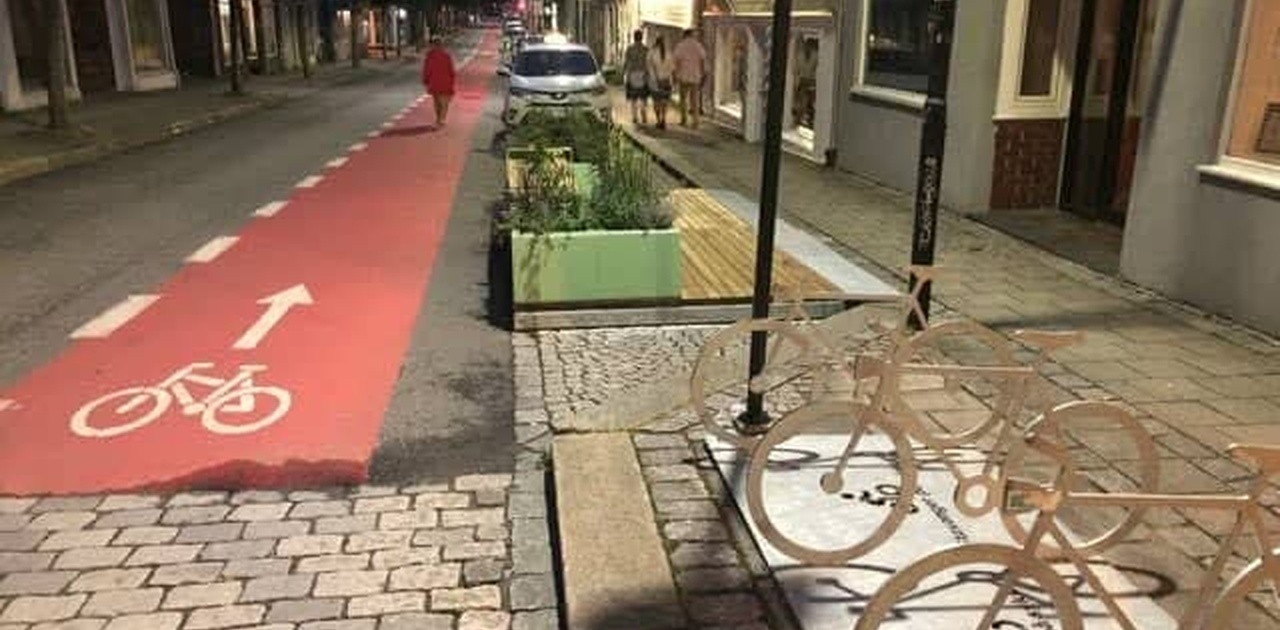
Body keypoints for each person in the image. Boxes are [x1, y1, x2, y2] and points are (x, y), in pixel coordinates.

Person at [672, 29, 708, 128]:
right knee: (694, 101)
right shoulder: (698, 46)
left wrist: (674, 76)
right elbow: (703, 61)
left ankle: (684, 120)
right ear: (692, 35)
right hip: (695, 77)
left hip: (683, 77)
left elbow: (675, 62)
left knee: (683, 100)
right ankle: (695, 122)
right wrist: (704, 74)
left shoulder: (680, 46)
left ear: (684, 35)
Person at [421, 36, 456, 128]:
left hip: (434, 82)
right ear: (441, 45)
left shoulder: (429, 56)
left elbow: (426, 70)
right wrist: (452, 80)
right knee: (444, 102)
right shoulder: (447, 56)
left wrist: (425, 80)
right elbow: (451, 70)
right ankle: (442, 119)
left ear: (433, 45)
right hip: (445, 82)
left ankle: (438, 118)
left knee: (436, 101)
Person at [622, 30, 650, 125]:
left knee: (633, 98)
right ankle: (643, 114)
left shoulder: (630, 49)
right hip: (643, 75)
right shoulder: (646, 49)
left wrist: (623, 72)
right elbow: (648, 63)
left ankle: (634, 117)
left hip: (632, 74)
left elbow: (626, 62)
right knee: (643, 97)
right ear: (641, 37)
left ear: (634, 38)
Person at [647, 36, 675, 130]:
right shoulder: (669, 53)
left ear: (656, 42)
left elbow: (649, 69)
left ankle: (658, 120)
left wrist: (654, 79)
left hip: (655, 82)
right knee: (665, 102)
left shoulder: (651, 53)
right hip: (667, 81)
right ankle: (664, 119)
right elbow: (672, 69)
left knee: (657, 102)